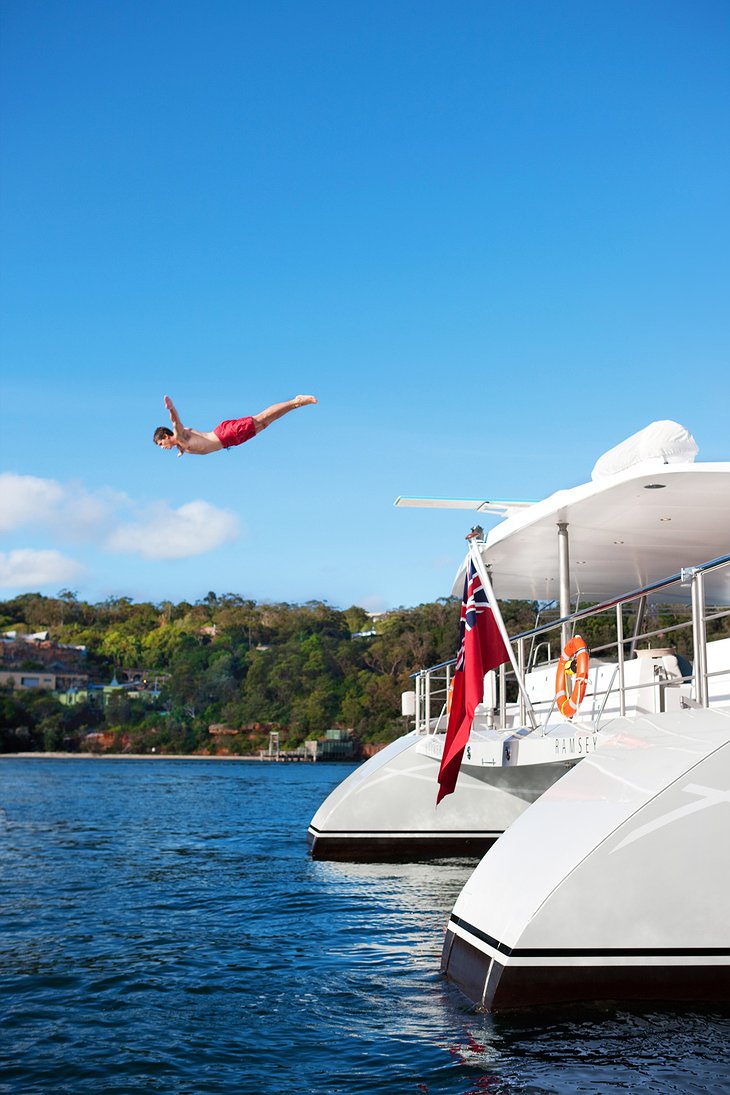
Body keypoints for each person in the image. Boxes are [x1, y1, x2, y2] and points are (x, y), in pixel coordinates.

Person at [153, 394, 317, 456]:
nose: (162, 447)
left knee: (262, 417)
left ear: (167, 436)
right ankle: (297, 404)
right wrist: (181, 450)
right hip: (229, 441)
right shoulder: (180, 445)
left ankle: (296, 401)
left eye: (161, 443)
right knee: (267, 423)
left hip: (225, 434)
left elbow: (176, 422)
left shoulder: (180, 435)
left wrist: (171, 408)